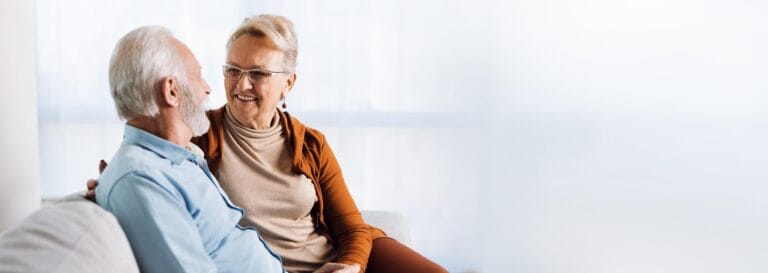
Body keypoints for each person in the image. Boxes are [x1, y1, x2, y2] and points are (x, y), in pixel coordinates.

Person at [90, 15, 447, 273]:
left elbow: (351, 226)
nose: (240, 85)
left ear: (288, 83)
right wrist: (105, 187)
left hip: (337, 259)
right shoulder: (196, 132)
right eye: (232, 70)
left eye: (258, 74)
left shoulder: (309, 143)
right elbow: (150, 153)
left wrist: (350, 266)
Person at [95, 25, 285, 273]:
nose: (207, 88)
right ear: (171, 91)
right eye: (197, 75)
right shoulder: (140, 180)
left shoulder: (176, 158)